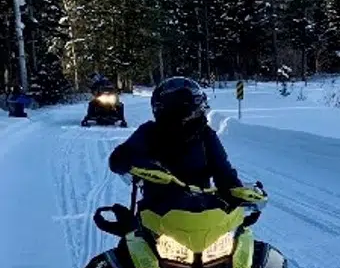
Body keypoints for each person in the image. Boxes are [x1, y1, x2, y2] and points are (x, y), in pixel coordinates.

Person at [108, 76, 264, 204]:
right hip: (158, 209)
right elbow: (117, 159)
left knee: (237, 239)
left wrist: (237, 193)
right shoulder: (149, 132)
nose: (191, 115)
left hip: (202, 210)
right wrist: (147, 168)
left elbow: (223, 170)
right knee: (134, 240)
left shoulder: (205, 135)